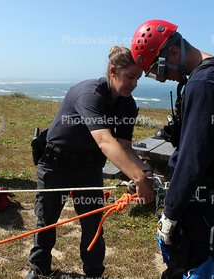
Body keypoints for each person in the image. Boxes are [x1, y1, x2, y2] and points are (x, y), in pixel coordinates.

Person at [25, 46, 155, 279]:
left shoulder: (128, 104)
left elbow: (124, 146)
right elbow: (105, 141)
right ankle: (39, 268)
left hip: (89, 168)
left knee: (92, 222)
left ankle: (94, 274)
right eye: (130, 77)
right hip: (56, 164)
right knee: (47, 218)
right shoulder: (89, 93)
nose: (134, 84)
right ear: (113, 71)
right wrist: (137, 178)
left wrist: (146, 173)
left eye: (138, 78)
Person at [131, 20, 214, 278]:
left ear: (173, 53)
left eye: (159, 71)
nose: (163, 79)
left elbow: (193, 158)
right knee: (202, 261)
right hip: (213, 195)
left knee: (189, 266)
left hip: (201, 201)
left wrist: (170, 213)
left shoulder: (204, 82)